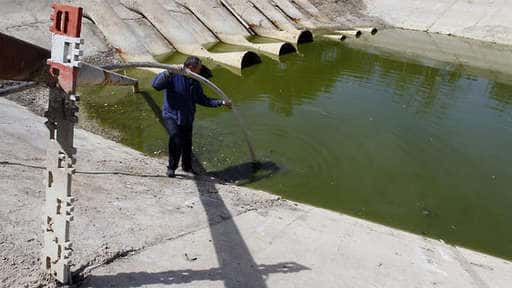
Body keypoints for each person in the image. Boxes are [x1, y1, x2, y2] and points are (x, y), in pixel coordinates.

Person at [151, 56, 231, 178]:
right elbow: (156, 85)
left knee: (187, 143)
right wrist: (169, 71)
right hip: (171, 115)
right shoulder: (173, 75)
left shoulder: (195, 82)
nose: (200, 70)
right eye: (199, 68)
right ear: (191, 68)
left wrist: (221, 102)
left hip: (187, 117)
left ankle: (187, 167)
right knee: (176, 139)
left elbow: (202, 100)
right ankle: (172, 167)